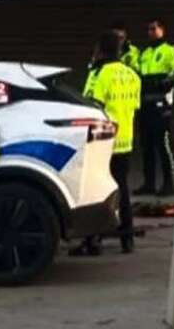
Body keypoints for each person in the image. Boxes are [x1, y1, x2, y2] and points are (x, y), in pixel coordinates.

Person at [70, 31, 141, 256]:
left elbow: (91, 106)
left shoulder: (100, 74)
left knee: (96, 190)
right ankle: (127, 238)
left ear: (100, 50)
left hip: (103, 142)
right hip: (125, 140)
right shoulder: (132, 74)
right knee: (123, 188)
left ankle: (93, 240)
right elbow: (134, 107)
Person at [134, 19, 174, 197]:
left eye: (154, 28)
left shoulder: (170, 51)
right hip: (145, 105)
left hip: (161, 105)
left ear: (162, 30)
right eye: (148, 29)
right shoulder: (145, 53)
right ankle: (148, 183)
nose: (150, 32)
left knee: (162, 145)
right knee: (146, 146)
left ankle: (169, 185)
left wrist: (165, 83)